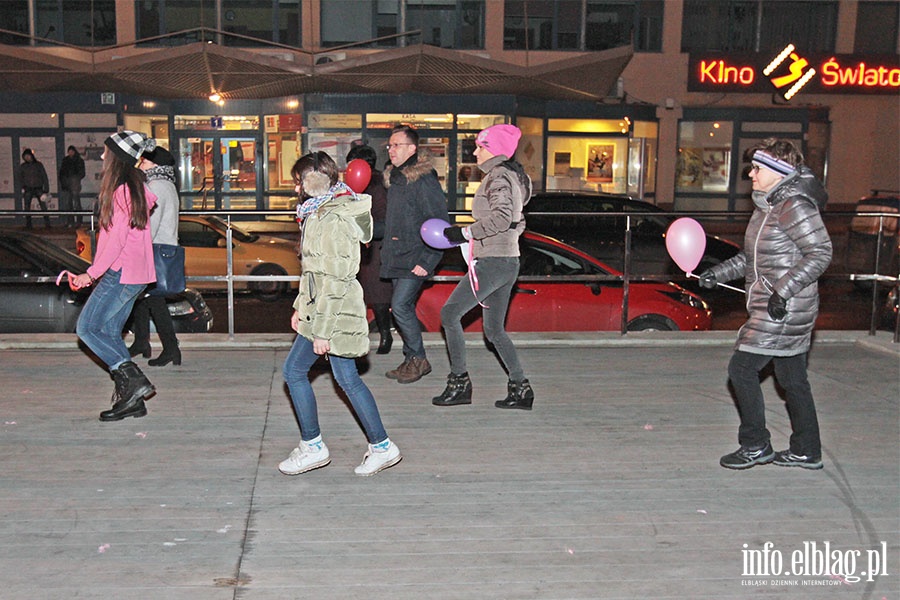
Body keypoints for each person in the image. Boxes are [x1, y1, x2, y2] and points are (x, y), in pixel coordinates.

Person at [698, 138, 832, 470]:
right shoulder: (768, 207)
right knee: (792, 378)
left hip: (783, 307)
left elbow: (821, 253)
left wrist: (782, 292)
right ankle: (807, 449)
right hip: (775, 304)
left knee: (741, 369)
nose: (751, 176)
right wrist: (718, 273)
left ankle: (756, 445)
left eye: (757, 169)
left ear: (778, 172)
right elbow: (752, 258)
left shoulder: (795, 207)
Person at [278, 151, 402, 477]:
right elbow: (313, 273)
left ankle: (318, 447)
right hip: (322, 311)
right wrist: (300, 308)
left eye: (299, 182)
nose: (296, 189)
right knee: (337, 378)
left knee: (301, 372)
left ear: (315, 182)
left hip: (333, 314)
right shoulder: (318, 212)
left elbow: (335, 278)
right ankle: (378, 446)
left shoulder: (333, 218)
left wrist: (322, 331)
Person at [432, 124, 535, 410]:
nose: (475, 152)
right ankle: (521, 388)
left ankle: (460, 382)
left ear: (493, 150)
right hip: (507, 260)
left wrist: (464, 233)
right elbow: (518, 221)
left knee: (450, 314)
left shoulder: (498, 177)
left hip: (493, 262)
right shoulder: (512, 177)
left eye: (479, 146)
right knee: (494, 331)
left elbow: (502, 218)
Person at [69, 131, 159, 422]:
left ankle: (133, 381)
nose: (103, 156)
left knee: (87, 328)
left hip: (120, 273)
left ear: (117, 158)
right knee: (108, 331)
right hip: (137, 274)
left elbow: (115, 241)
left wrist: (90, 274)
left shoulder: (121, 192)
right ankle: (131, 401)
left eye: (107, 152)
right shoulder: (134, 190)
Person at [380, 124, 449, 384]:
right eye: (389, 145)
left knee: (399, 306)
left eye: (396, 145)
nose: (391, 150)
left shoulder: (423, 179)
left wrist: (428, 260)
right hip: (398, 254)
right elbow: (397, 222)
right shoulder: (397, 179)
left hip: (415, 256)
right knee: (401, 307)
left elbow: (439, 222)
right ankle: (411, 358)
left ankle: (419, 359)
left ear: (411, 148)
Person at [128, 145, 182, 367]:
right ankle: (142, 341)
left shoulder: (156, 186)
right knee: (141, 298)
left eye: (145, 161)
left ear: (155, 165)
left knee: (154, 300)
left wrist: (136, 247)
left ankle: (171, 349)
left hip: (154, 250)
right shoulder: (166, 184)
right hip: (161, 248)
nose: (140, 164)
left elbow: (151, 224)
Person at [346, 144, 394, 354]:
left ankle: (384, 335)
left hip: (373, 246)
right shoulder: (376, 182)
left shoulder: (373, 184)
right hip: (368, 245)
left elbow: (379, 217)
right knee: (372, 293)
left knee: (375, 294)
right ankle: (381, 335)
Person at [19, 148, 50, 229]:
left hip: (38, 188)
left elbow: (44, 176)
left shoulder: (38, 165)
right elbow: (20, 177)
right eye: (25, 157)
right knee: (27, 207)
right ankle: (28, 224)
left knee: (43, 206)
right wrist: (23, 186)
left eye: (28, 156)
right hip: (28, 188)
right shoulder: (23, 166)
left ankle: (47, 223)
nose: (27, 158)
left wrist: (46, 188)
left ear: (31, 156)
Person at [58, 145, 86, 226]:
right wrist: (63, 181)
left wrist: (75, 179)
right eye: (69, 151)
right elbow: (62, 173)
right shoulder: (65, 160)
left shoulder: (79, 160)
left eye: (72, 151)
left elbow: (82, 173)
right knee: (68, 204)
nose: (70, 153)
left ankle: (79, 222)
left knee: (76, 204)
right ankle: (70, 221)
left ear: (74, 151)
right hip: (67, 185)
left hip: (75, 185)